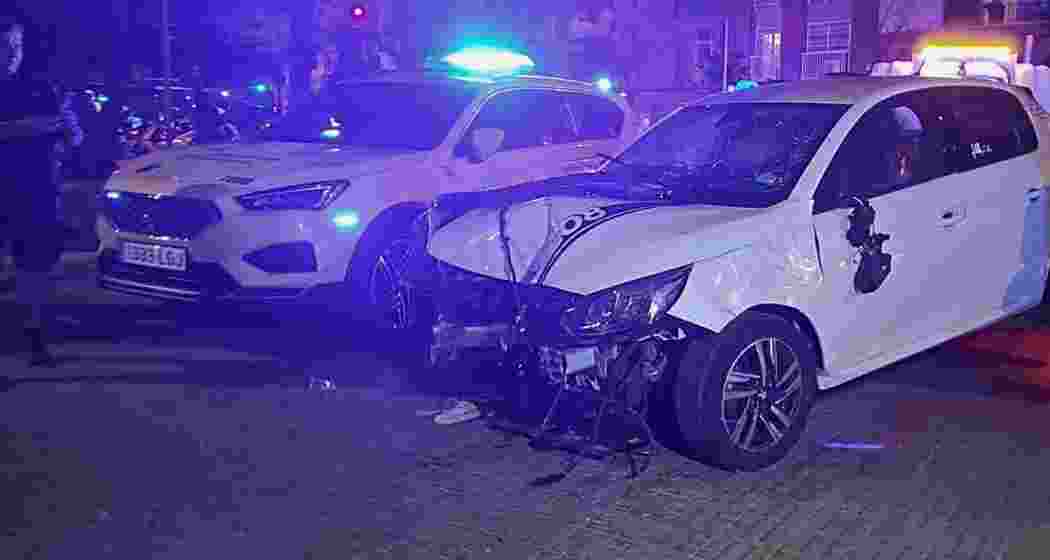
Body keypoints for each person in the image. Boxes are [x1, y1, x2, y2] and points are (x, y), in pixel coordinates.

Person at [0, 16, 83, 366]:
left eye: (14, 46)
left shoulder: (43, 87)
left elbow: (75, 138)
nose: (9, 54)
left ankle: (35, 338)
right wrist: (31, 128)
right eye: (3, 46)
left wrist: (70, 129)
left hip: (37, 192)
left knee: (35, 268)